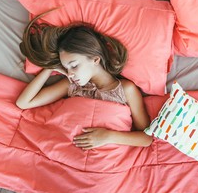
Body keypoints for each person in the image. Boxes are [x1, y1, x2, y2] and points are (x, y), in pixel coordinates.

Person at [16, 16, 152, 149]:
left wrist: (108, 136)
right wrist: (49, 68)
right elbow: (23, 103)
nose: (70, 73)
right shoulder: (71, 85)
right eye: (65, 68)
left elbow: (146, 138)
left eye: (74, 65)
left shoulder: (126, 89)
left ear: (95, 60)